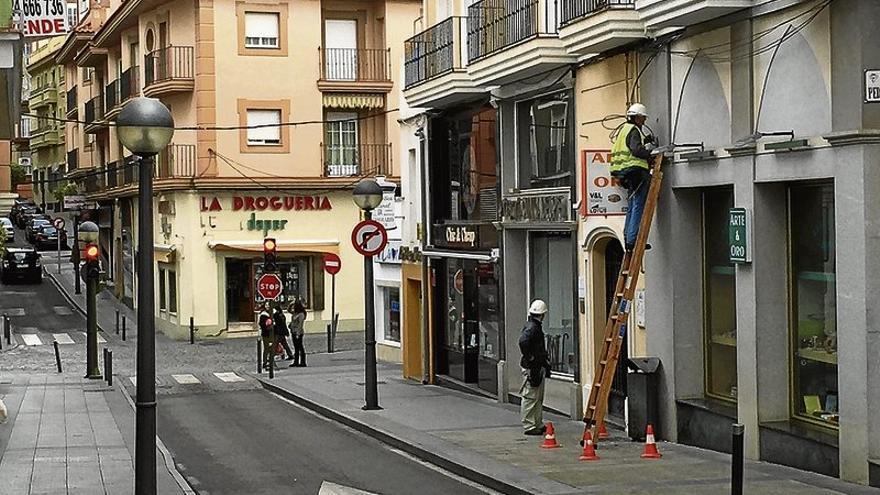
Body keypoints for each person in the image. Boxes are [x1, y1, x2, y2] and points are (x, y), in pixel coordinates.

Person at [611, 103, 656, 252]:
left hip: (625, 173)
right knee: (638, 205)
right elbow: (636, 150)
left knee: (631, 206)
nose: (644, 121)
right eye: (643, 118)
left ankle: (628, 240)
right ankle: (633, 241)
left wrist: (645, 142)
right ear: (637, 117)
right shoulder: (634, 130)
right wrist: (650, 155)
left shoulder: (624, 130)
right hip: (636, 172)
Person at [519, 299, 551, 436]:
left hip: (536, 365)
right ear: (543, 314)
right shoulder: (533, 327)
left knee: (537, 396)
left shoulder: (532, 326)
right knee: (530, 396)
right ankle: (529, 425)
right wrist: (531, 357)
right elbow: (523, 342)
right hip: (533, 367)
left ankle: (537, 423)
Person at [288, 299, 307, 367]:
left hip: (298, 333)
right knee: (296, 348)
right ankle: (296, 362)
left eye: (295, 306)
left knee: (300, 347)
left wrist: (298, 334)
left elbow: (300, 324)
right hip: (293, 331)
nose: (293, 307)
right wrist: (291, 304)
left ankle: (303, 362)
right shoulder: (295, 313)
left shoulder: (301, 314)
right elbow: (288, 310)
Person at [258, 304, 277, 370]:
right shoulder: (263, 315)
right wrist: (267, 326)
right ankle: (265, 362)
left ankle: (271, 361)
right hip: (266, 334)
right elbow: (261, 324)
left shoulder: (274, 313)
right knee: (266, 348)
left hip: (273, 334)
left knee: (272, 348)